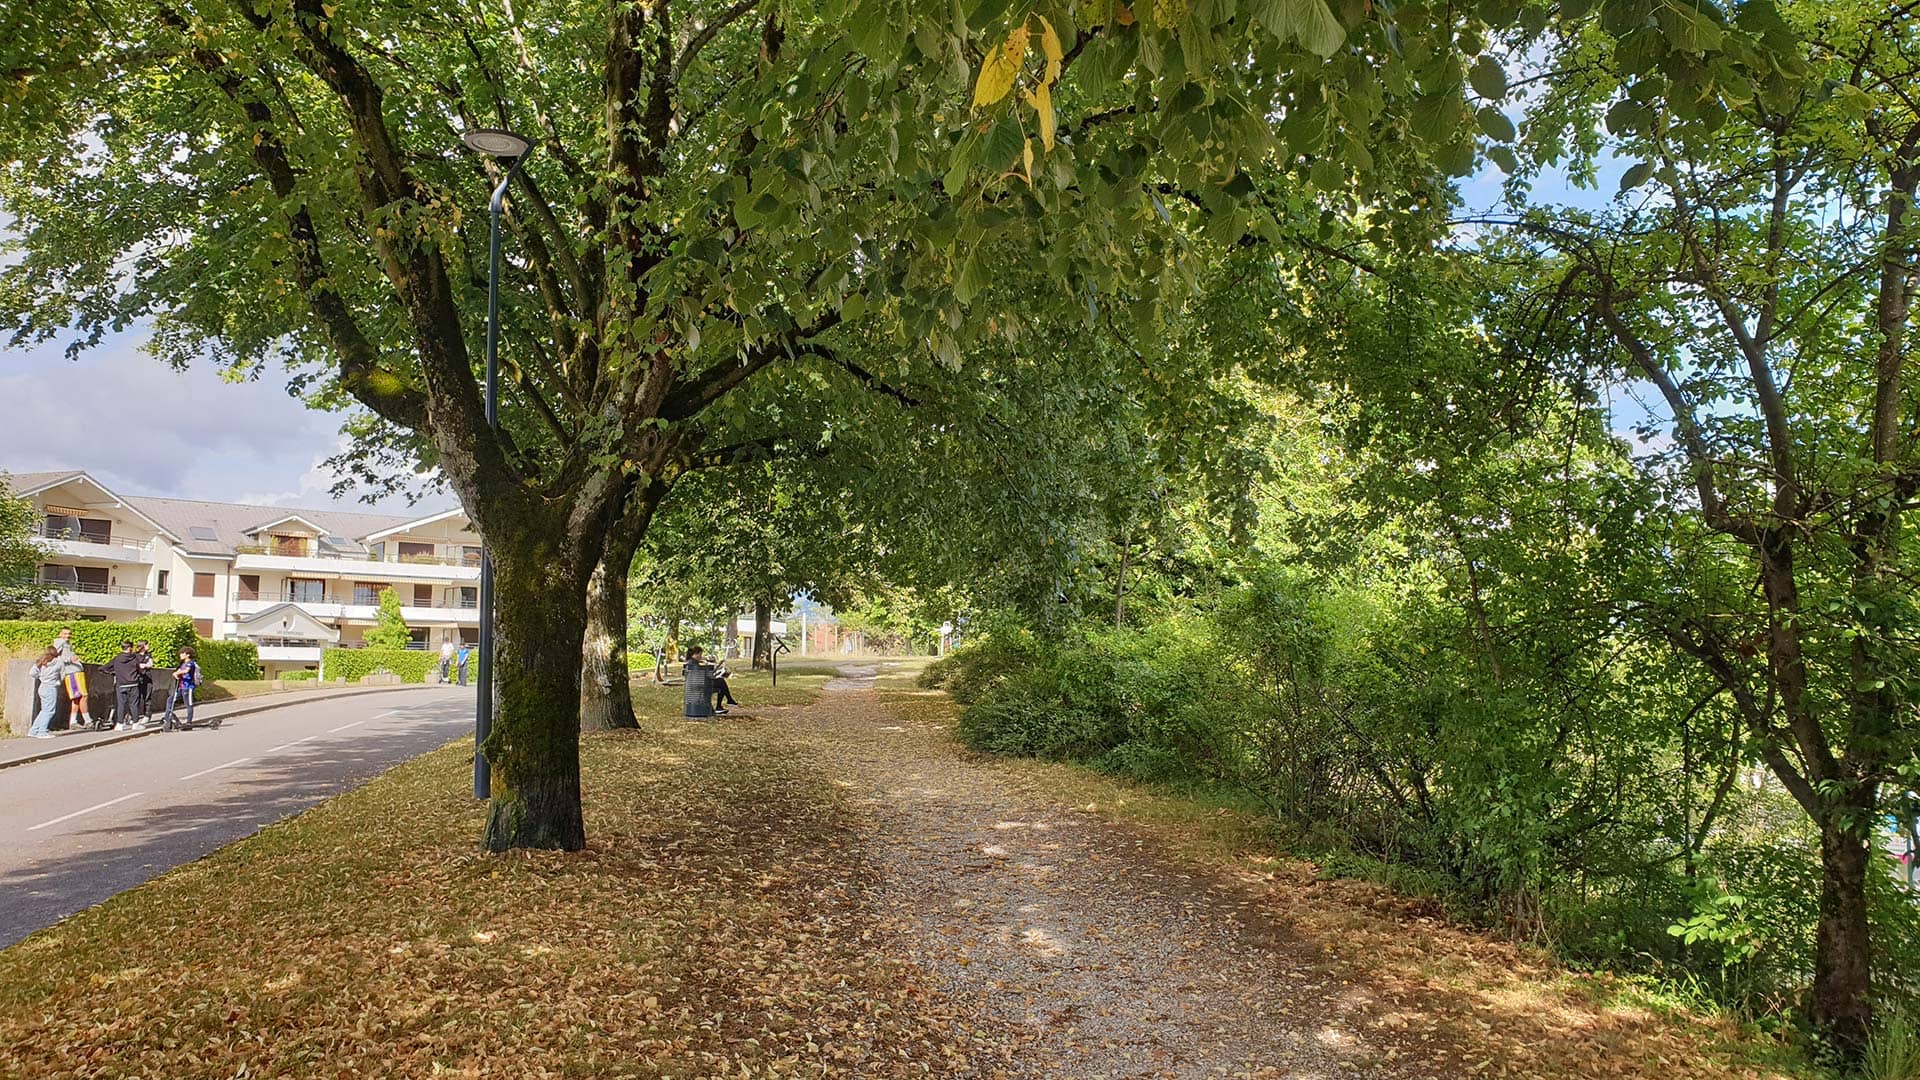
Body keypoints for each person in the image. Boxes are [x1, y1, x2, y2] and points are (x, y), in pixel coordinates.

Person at [51, 627, 96, 730]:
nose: (67, 636)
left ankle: (73, 721)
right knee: (83, 696)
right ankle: (87, 720)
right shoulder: (60, 642)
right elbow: (54, 656)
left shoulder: (67, 644)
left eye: (69, 634)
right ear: (60, 634)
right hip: (72, 673)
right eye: (65, 634)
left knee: (77, 698)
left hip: (75, 672)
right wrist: (69, 659)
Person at [107, 640, 145, 731]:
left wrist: (114, 672)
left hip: (121, 684)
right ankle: (135, 724)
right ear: (130, 648)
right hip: (133, 683)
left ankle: (120, 724)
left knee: (121, 704)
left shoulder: (117, 659)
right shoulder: (135, 658)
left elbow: (104, 668)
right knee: (134, 704)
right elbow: (140, 670)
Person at [27, 646, 61, 739]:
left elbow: (32, 673)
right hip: (51, 687)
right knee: (49, 711)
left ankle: (33, 730)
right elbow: (62, 673)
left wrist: (40, 677)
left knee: (44, 710)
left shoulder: (40, 661)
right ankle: (42, 732)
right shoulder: (58, 662)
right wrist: (58, 681)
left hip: (42, 686)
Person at [163, 647, 200, 731]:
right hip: (181, 687)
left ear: (187, 655)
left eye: (182, 653)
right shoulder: (183, 664)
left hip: (188, 687)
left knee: (188, 704)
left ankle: (189, 722)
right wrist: (175, 674)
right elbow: (178, 671)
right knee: (170, 699)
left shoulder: (191, 663)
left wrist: (177, 673)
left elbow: (186, 671)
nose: (180, 655)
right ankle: (167, 718)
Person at [681, 646, 715, 719]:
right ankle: (720, 706)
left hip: (692, 686)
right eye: (700, 654)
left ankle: (719, 706)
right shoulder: (693, 663)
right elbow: (701, 675)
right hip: (699, 686)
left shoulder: (690, 662)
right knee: (721, 684)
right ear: (696, 654)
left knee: (721, 683)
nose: (701, 656)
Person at [134, 640, 155, 726]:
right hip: (138, 678)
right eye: (147, 645)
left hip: (147, 678)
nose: (148, 646)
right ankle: (134, 716)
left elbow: (151, 664)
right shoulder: (135, 656)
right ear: (142, 646)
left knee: (147, 697)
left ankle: (147, 715)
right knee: (136, 698)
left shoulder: (148, 655)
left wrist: (146, 665)